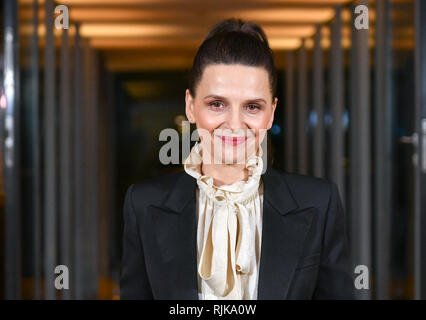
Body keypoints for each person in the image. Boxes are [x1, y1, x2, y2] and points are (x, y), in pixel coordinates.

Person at [120, 18, 354, 300]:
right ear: (190, 106)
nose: (234, 123)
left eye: (252, 107)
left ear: (271, 112)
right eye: (216, 104)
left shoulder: (319, 202)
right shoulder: (143, 204)